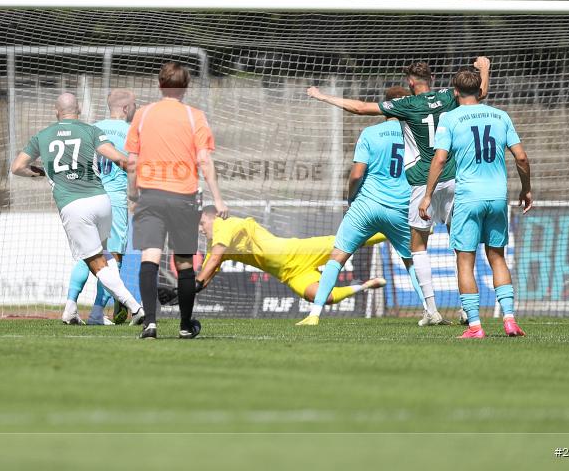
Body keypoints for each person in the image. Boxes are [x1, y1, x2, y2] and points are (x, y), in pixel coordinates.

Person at [307, 57, 491, 326]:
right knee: (460, 247)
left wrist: (322, 96)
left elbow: (359, 109)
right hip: (449, 177)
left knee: (418, 249)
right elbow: (479, 94)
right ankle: (467, 310)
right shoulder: (447, 97)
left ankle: (430, 309)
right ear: (433, 79)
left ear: (410, 82)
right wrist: (484, 69)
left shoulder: (404, 107)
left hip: (416, 184)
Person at [10, 93, 144, 325]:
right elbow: (120, 159)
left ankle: (134, 307)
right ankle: (71, 310)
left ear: (56, 111)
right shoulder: (90, 131)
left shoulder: (42, 136)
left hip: (74, 204)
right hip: (103, 201)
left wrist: (40, 172)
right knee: (105, 255)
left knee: (93, 260)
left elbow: (17, 167)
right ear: (79, 109)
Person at [419, 70, 532, 339]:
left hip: (468, 198)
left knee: (465, 261)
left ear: (455, 92)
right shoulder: (500, 115)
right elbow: (522, 157)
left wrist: (427, 195)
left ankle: (475, 327)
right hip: (497, 198)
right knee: (497, 257)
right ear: (480, 91)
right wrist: (526, 189)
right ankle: (510, 320)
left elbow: (440, 159)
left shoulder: (450, 118)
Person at [297, 87, 416, 326]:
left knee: (337, 257)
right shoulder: (417, 135)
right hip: (400, 207)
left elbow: (356, 175)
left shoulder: (370, 133)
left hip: (366, 205)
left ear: (385, 107)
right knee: (413, 260)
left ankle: (315, 314)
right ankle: (430, 310)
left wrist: (351, 198)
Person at [126, 62, 227, 340]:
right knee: (184, 262)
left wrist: (133, 195)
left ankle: (150, 323)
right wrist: (218, 199)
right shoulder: (195, 116)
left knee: (150, 257)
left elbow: (132, 162)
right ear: (186, 87)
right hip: (184, 197)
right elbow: (204, 159)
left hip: (150, 195)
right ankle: (185, 325)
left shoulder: (143, 115)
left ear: (160, 85)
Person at [193, 207, 387, 308]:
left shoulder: (226, 226)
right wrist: (181, 293)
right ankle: (364, 285)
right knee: (323, 298)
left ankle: (398, 229)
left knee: (352, 241)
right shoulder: (214, 247)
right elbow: (205, 277)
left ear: (213, 216)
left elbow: (212, 264)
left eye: (202, 224)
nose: (201, 230)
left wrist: (194, 285)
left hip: (298, 251)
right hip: (289, 274)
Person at [64, 89, 136, 325]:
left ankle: (70, 306)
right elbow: (133, 167)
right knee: (112, 257)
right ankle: (97, 312)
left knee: (88, 255)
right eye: (134, 105)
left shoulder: (91, 128)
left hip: (88, 197)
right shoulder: (132, 132)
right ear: (126, 108)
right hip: (114, 200)